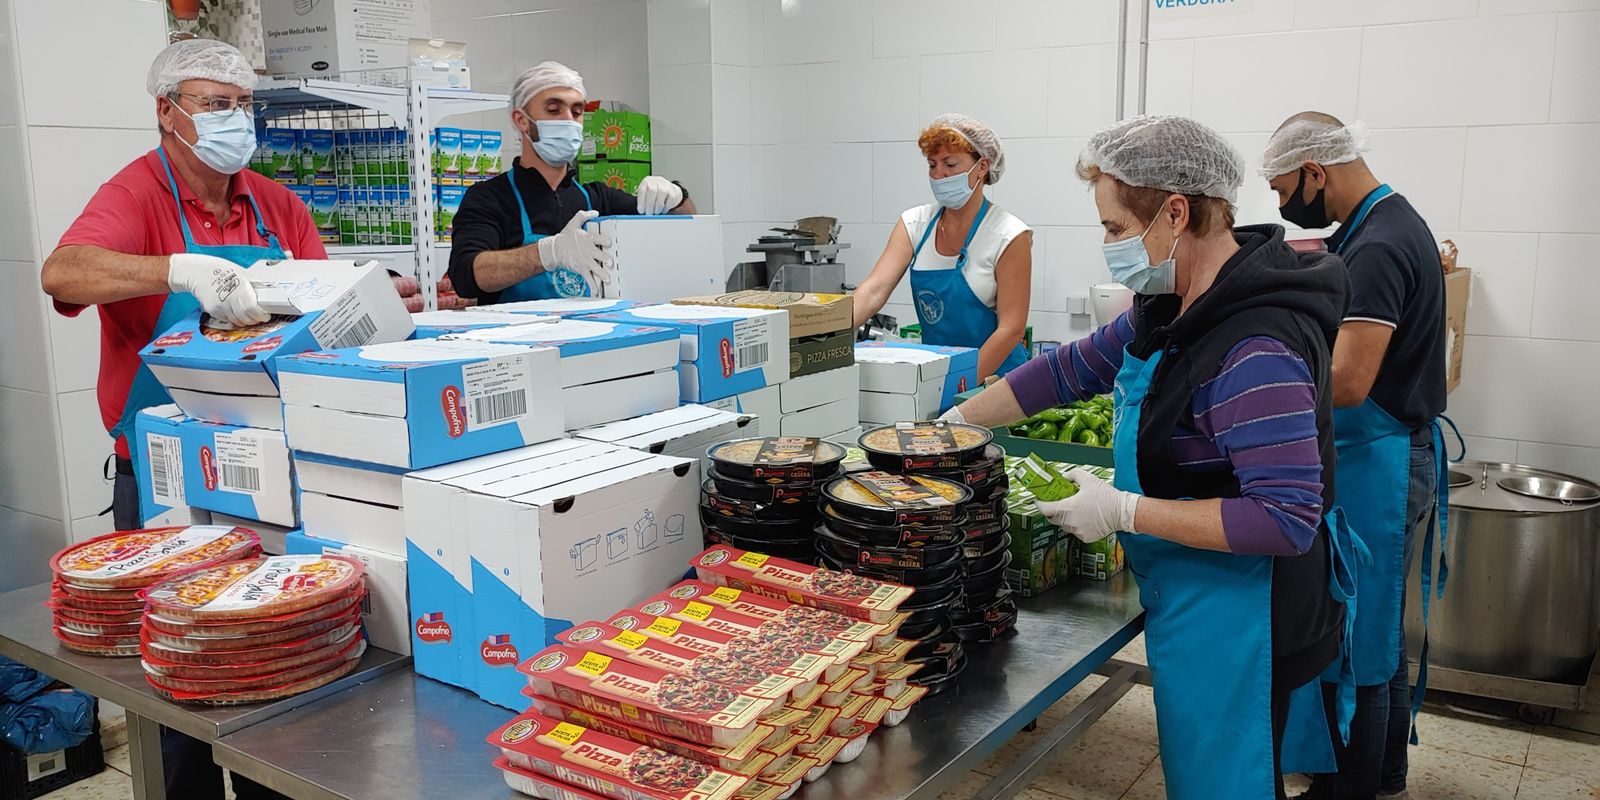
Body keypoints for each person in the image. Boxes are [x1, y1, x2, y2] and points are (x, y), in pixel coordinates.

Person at [940, 116, 1357, 799]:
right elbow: (1066, 371)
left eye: (1112, 227)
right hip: (1196, 597)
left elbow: (1285, 520)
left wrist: (1124, 509)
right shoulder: (1170, 304)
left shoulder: (1256, 347)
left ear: (1175, 212)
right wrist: (953, 422)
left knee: (1230, 783)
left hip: (1245, 613)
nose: (1107, 244)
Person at [38, 39, 323, 800]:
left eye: (244, 104)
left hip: (273, 476)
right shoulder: (135, 192)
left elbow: (322, 309)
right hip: (167, 484)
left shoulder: (276, 203)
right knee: (180, 681)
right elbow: (62, 272)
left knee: (273, 670)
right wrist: (174, 269)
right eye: (214, 103)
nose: (236, 118)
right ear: (167, 113)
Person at [1263, 113, 1449, 800]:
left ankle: (1352, 788)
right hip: (1392, 450)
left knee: (1358, 644)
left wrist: (1268, 387)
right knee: (1377, 629)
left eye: (1285, 188)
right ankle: (1387, 774)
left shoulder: (1379, 246)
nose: (1283, 204)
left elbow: (1348, 380)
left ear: (1316, 172)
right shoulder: (1383, 224)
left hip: (1381, 461)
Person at [448, 61, 695, 303]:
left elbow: (687, 220)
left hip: (592, 335)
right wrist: (549, 253)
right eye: (554, 110)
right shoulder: (489, 198)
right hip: (519, 339)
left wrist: (675, 195)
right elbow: (466, 275)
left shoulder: (598, 198)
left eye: (577, 112)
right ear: (521, 120)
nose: (568, 120)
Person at [851, 113, 1031, 379]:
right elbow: (873, 291)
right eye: (932, 165)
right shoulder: (915, 223)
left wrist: (959, 382)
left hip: (997, 381)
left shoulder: (1009, 234)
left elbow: (1011, 329)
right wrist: (825, 335)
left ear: (982, 167)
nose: (939, 175)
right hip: (937, 375)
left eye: (950, 164)